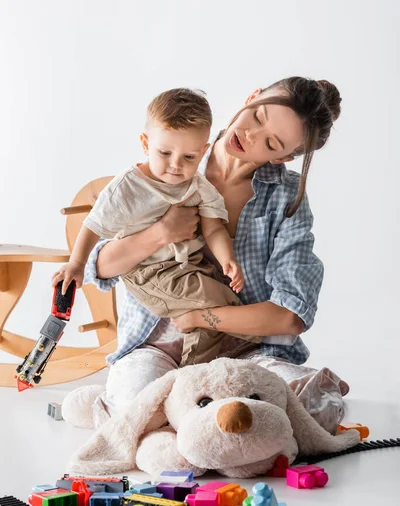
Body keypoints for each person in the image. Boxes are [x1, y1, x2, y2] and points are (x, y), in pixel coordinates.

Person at [61, 76, 349, 436]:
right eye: (257, 117)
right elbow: (101, 268)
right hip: (157, 344)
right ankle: (143, 408)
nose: (250, 136)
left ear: (285, 156)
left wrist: (201, 316)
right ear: (252, 96)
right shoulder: (177, 153)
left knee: (315, 407)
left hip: (242, 348)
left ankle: (192, 417)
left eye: (272, 142)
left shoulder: (286, 198)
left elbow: (290, 316)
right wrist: (160, 233)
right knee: (139, 407)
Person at [52, 88, 260, 367]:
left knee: (214, 312)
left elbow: (213, 230)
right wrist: (76, 264)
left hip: (189, 266)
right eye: (165, 152)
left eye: (189, 157)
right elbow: (93, 225)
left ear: (203, 151)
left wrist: (227, 259)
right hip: (148, 273)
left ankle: (197, 369)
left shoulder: (198, 186)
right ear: (146, 143)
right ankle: (229, 352)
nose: (175, 165)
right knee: (217, 302)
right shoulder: (129, 186)